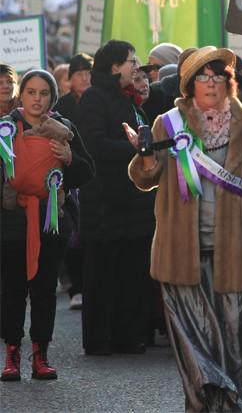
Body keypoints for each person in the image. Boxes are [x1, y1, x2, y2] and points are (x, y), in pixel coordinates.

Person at [127, 46, 242, 411]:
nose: (211, 83)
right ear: (188, 85)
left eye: (218, 76)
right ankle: (200, 404)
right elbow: (146, 178)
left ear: (229, 82)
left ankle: (229, 404)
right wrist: (146, 157)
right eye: (203, 76)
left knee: (233, 338)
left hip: (238, 247)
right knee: (192, 342)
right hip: (180, 248)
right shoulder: (167, 124)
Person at [1, 69, 94, 381]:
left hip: (51, 219)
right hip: (12, 221)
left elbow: (87, 171)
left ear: (52, 97)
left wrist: (69, 158)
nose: (36, 99)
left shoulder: (64, 129)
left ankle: (40, 355)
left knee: (44, 290)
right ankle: (11, 352)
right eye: (31, 92)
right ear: (21, 95)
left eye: (43, 93)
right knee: (12, 290)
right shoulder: (5, 128)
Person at [76, 41, 156, 356]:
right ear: (114, 67)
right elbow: (94, 145)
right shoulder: (95, 99)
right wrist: (136, 149)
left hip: (133, 204)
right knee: (102, 276)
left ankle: (128, 335)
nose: (136, 67)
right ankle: (99, 338)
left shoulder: (130, 100)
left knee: (131, 274)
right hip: (105, 205)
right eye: (131, 61)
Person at [52, 53, 93, 312]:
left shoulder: (96, 101)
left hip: (87, 170)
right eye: (79, 74)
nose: (84, 78)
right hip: (66, 177)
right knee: (72, 235)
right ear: (70, 79)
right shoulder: (64, 106)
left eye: (88, 73)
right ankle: (75, 286)